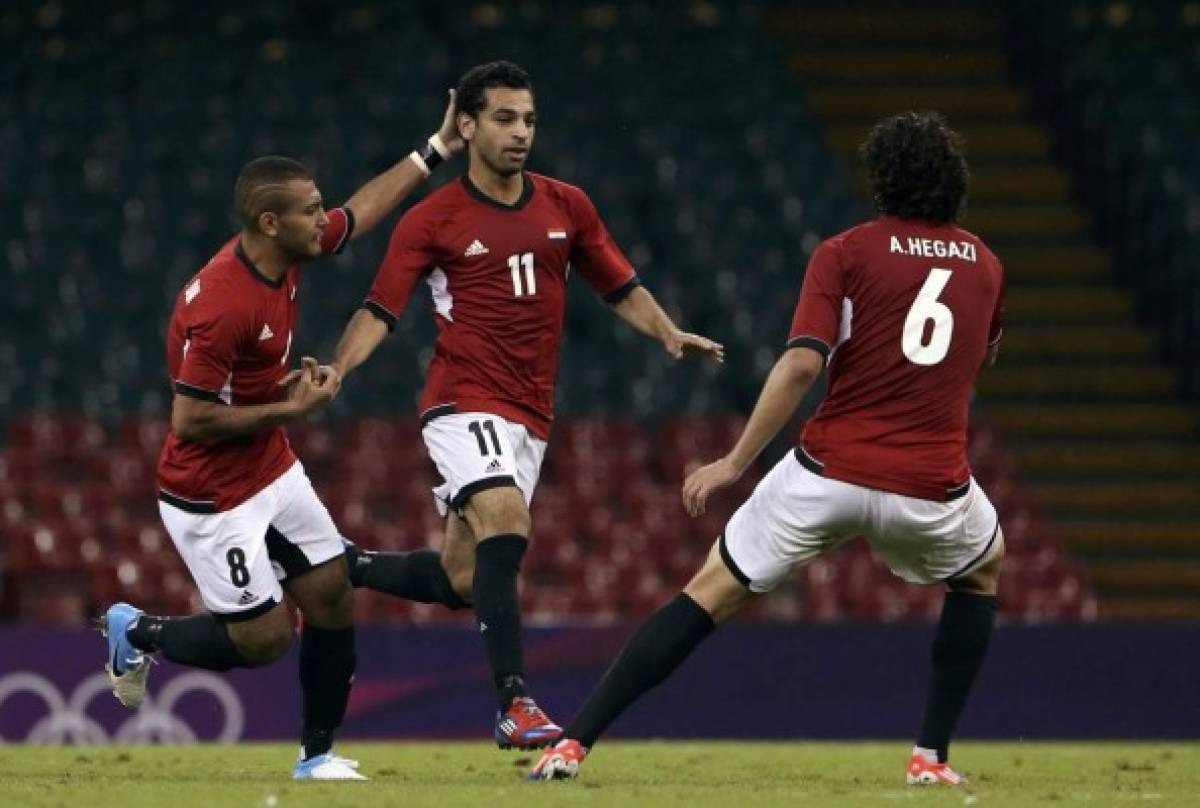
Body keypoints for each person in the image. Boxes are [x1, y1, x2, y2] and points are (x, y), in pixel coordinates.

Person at [530, 110, 1006, 787]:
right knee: (983, 570)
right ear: (953, 183)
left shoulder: (845, 251)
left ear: (883, 179)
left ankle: (570, 747)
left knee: (707, 593)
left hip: (828, 474)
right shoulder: (987, 265)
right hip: (931, 486)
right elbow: (978, 357)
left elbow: (802, 365)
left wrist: (734, 462)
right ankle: (931, 757)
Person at [331, 60, 724, 749]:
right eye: (505, 118)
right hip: (460, 401)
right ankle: (515, 702)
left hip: (531, 417)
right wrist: (337, 368)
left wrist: (667, 332)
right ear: (468, 124)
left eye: (530, 119)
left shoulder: (566, 205)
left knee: (462, 577)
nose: (520, 133)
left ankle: (340, 565)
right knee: (507, 523)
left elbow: (618, 282)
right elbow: (379, 308)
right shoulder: (432, 218)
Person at [99, 93, 464, 781]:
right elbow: (191, 421)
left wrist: (435, 149)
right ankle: (137, 631)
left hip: (268, 467)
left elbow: (357, 217)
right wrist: (291, 411)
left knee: (329, 592)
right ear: (271, 222)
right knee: (265, 641)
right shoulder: (224, 304)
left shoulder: (283, 253)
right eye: (308, 210)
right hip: (208, 494)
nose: (321, 219)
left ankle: (316, 757)